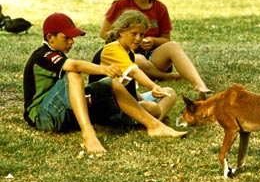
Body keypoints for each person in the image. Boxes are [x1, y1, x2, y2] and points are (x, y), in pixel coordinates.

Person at [23, 13, 187, 154]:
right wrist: (104, 70)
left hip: (63, 113)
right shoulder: (43, 55)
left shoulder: (57, 54)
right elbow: (74, 66)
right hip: (43, 116)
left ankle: (154, 126)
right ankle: (88, 134)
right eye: (66, 38)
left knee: (113, 83)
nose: (71, 42)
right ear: (50, 37)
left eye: (72, 38)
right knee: (73, 74)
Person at [100, 0, 212, 95]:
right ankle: (166, 77)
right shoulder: (120, 4)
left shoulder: (160, 8)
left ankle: (199, 85)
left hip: (153, 57)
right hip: (128, 55)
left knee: (173, 46)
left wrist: (153, 41)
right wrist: (127, 39)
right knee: (138, 59)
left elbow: (166, 39)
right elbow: (104, 32)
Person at [91, 10, 179, 121]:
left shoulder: (129, 52)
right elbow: (134, 72)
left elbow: (129, 88)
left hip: (125, 99)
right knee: (153, 108)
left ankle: (150, 120)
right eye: (134, 33)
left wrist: (143, 101)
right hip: (109, 107)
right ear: (121, 31)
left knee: (169, 93)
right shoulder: (111, 49)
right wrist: (153, 86)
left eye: (141, 34)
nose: (138, 38)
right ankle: (152, 121)